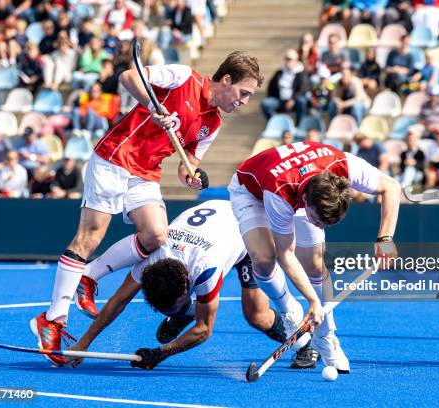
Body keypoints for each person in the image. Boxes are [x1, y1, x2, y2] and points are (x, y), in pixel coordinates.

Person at [30, 51, 262, 366]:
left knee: (155, 235)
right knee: (91, 236)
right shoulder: (183, 77)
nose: (244, 101)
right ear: (226, 80)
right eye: (243, 93)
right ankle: (53, 319)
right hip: (115, 157)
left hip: (146, 172)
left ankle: (89, 277)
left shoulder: (214, 123)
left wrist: (191, 177)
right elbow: (128, 77)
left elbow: (188, 163)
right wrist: (152, 105)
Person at [65, 200, 319, 370]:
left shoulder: (204, 270)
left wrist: (161, 353)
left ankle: (306, 345)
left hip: (248, 232)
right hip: (212, 229)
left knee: (256, 317)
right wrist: (84, 343)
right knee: (179, 309)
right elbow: (118, 301)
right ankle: (183, 312)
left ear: (187, 287)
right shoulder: (151, 260)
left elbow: (204, 329)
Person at [228, 141, 401, 372]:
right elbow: (286, 255)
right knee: (264, 258)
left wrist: (385, 240)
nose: (320, 226)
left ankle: (326, 338)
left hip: (299, 184)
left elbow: (391, 187)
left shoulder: (343, 165)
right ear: (306, 203)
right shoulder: (281, 191)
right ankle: (287, 308)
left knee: (315, 264)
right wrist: (311, 300)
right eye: (318, 221)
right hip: (252, 191)